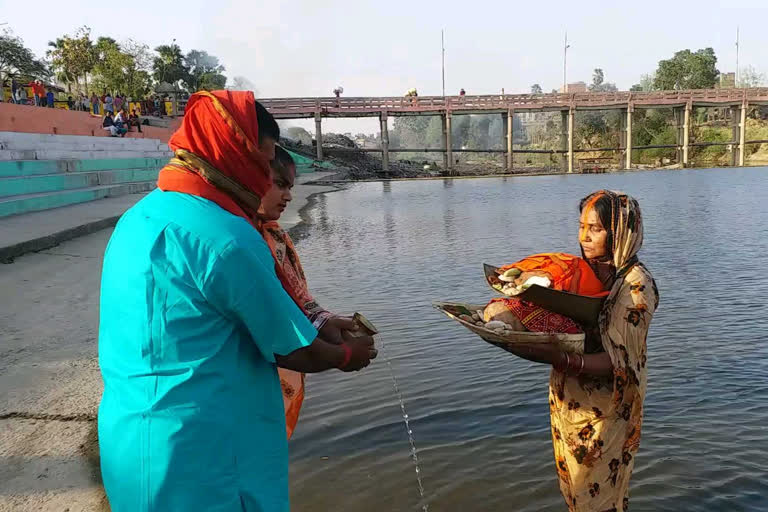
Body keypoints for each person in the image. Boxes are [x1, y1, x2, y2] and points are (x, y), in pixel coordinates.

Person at [97, 90, 377, 511]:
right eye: (265, 165)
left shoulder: (143, 215)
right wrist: (346, 355)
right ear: (233, 153)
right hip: (206, 461)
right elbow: (296, 349)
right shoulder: (226, 237)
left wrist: (317, 321)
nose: (266, 180)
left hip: (136, 443)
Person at [492, 190, 658, 512]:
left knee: (598, 497)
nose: (583, 236)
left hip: (606, 408)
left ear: (621, 230)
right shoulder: (584, 272)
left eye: (595, 228)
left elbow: (618, 361)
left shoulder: (636, 286)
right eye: (581, 226)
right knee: (576, 494)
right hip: (570, 400)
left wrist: (560, 358)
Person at [257, 146, 345, 439]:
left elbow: (292, 301)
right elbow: (275, 330)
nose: (288, 196)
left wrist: (324, 322)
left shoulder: (272, 234)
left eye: (290, 187)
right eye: (280, 184)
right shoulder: (242, 240)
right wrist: (342, 356)